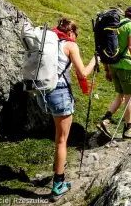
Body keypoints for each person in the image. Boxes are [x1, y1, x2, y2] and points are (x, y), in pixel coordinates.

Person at [36, 18, 97, 201]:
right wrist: (95, 60)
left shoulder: (48, 42)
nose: (75, 38)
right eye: (75, 35)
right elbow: (83, 73)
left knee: (58, 138)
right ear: (71, 33)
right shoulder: (70, 45)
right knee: (62, 140)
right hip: (60, 92)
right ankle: (58, 184)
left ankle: (58, 168)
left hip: (42, 92)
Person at [96, 6, 131, 140]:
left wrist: (107, 70)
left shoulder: (115, 25)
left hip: (113, 65)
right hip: (125, 66)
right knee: (130, 97)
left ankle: (105, 120)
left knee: (121, 95)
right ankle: (127, 131)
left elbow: (108, 46)